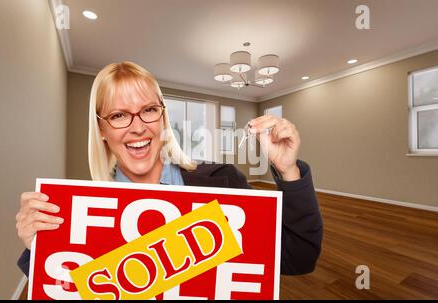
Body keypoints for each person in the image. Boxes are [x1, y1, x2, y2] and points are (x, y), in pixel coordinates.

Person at [16, 61, 323, 279]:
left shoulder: (223, 181)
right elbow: (65, 286)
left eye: (149, 110)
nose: (138, 127)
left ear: (162, 117)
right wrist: (39, 248)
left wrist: (289, 170)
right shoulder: (77, 215)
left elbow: (298, 257)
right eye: (120, 114)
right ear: (101, 130)